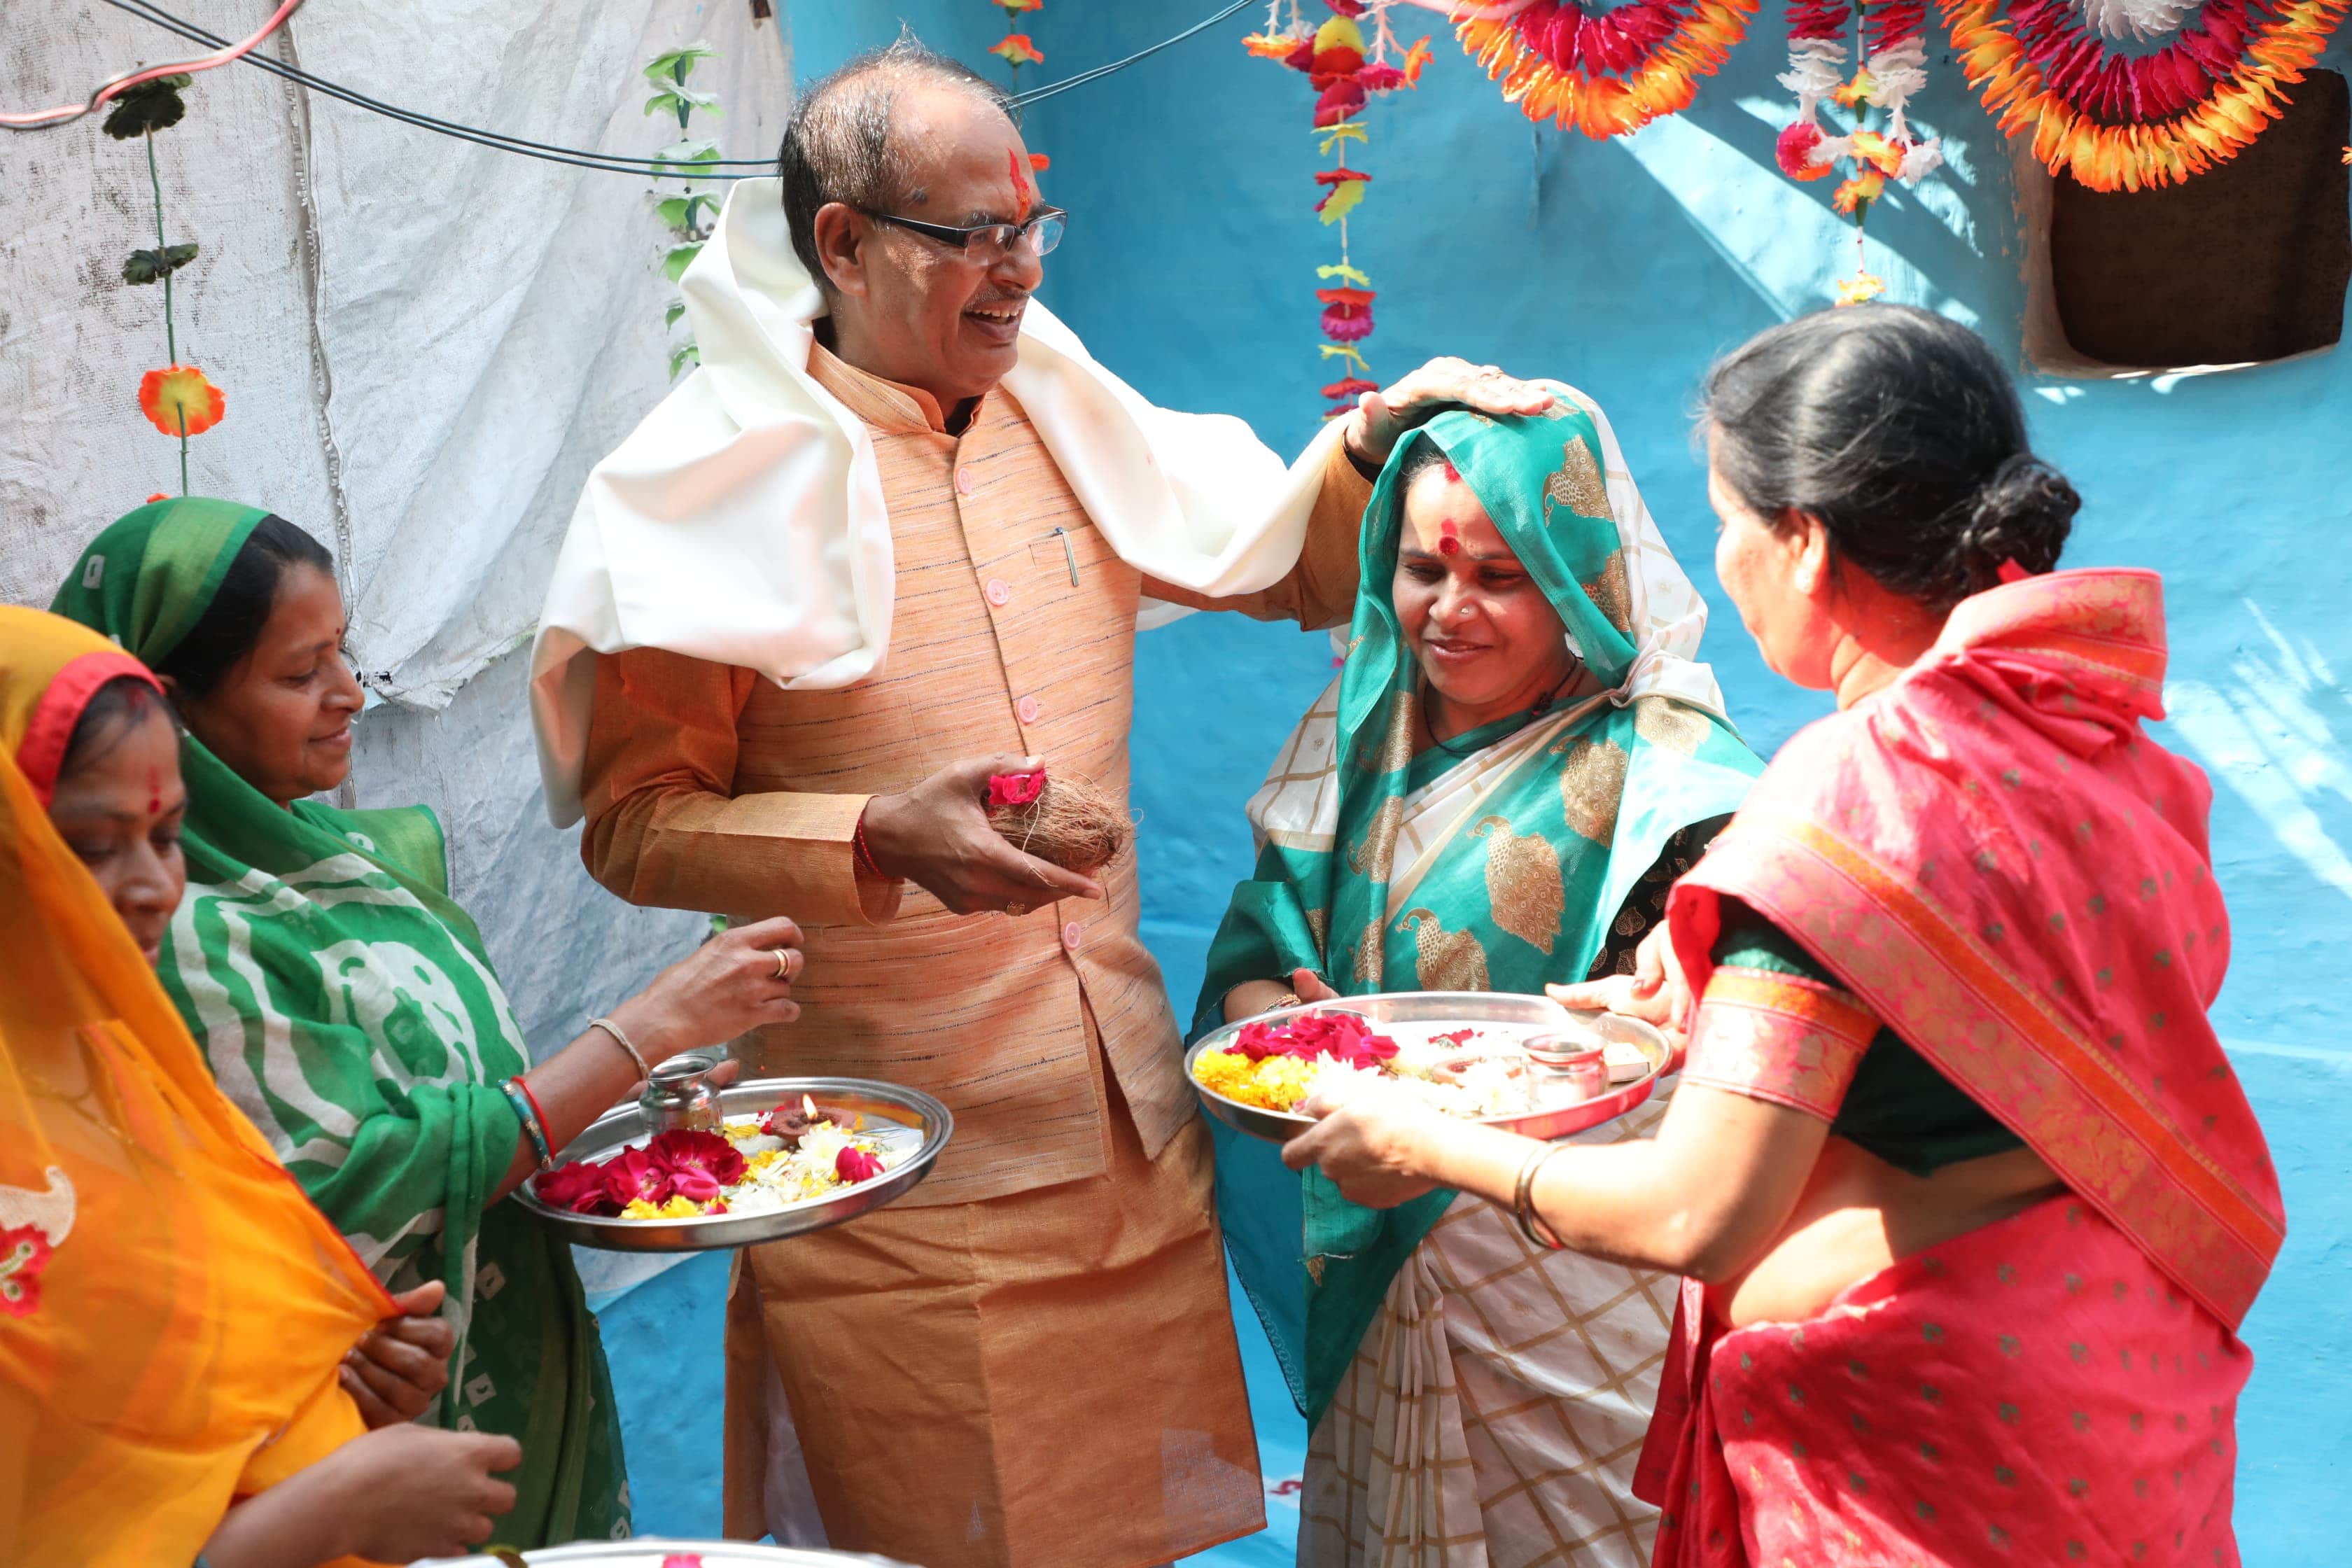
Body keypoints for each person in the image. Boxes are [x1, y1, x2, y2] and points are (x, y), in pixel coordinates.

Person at [528, 35, 1555, 1568]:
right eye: (973, 236)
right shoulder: (706, 492)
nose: (1016, 272)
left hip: (1121, 1131)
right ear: (844, 244)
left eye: (1030, 228)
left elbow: (1285, 561)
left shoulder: (1059, 416)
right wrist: (878, 836)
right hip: (895, 1179)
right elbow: (634, 823)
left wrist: (1380, 439)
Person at [1282, 305, 2283, 1565]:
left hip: (1915, 1449)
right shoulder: (2097, 743)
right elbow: (2004, 1031)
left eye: (1729, 524)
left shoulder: (1848, 800)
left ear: (1803, 542)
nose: (1719, 565)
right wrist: (1715, 991)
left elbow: (1697, 1216)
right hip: (2108, 1383)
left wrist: (1425, 1140)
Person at [50, 500, 811, 1548]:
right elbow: (351, 1180)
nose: (350, 694)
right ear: (172, 710)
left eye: (342, 653)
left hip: (469, 1374)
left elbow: (461, 1101)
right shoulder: (172, 935)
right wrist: (643, 1029)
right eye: (297, 672)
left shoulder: (343, 861)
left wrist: (635, 1106)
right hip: (340, 1453)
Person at [1196, 394, 1762, 1567]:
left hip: (1568, 1272)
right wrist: (1288, 1051)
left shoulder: (1669, 769)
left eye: (1500, 577)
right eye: (1419, 570)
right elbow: (1263, 942)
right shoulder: (1361, 735)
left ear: (1576, 581)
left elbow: (1717, 1030)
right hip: (1371, 1226)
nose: (1448, 612)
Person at [0, 606, 524, 1567]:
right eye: (90, 845)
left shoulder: (128, 1076)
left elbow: (165, 1428)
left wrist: (339, 1394)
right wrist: (321, 1514)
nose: (157, 884)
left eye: (166, 835)